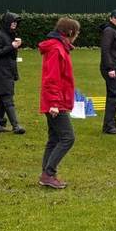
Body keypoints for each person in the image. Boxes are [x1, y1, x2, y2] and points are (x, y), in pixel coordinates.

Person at [38, 18, 80, 188]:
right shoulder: (56, 49)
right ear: (70, 33)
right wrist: (54, 103)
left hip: (56, 99)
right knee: (67, 138)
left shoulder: (60, 47)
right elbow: (52, 78)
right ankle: (49, 173)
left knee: (54, 138)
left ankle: (45, 174)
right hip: (56, 101)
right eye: (77, 33)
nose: (77, 36)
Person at [0, 11, 25, 134]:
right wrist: (12, 46)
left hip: (8, 71)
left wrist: (16, 46)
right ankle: (16, 126)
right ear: (7, 22)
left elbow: (11, 56)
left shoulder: (10, 35)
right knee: (7, 98)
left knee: (3, 98)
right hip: (0, 72)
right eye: (13, 21)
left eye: (16, 22)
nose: (14, 24)